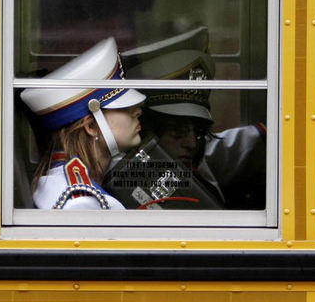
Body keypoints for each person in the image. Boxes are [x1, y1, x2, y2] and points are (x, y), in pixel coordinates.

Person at [102, 27, 266, 209]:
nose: (192, 144)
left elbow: (245, 144)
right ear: (144, 129)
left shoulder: (197, 160)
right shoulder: (123, 181)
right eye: (178, 132)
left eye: (198, 133)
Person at [20, 37, 145, 210]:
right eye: (123, 106)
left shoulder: (65, 182)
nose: (137, 110)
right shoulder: (82, 202)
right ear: (91, 126)